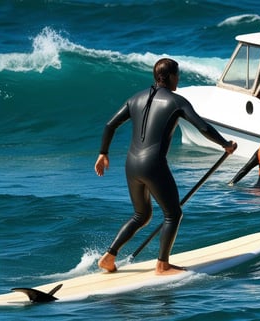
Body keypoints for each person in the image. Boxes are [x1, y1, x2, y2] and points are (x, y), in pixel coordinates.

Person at [94, 58, 237, 275]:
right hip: (153, 165)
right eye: (177, 75)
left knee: (140, 215)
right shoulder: (176, 101)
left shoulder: (136, 98)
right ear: (170, 76)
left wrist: (103, 152)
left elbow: (110, 124)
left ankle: (109, 256)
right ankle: (162, 265)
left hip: (131, 165)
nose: (178, 79)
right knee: (173, 214)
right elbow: (202, 127)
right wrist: (225, 144)